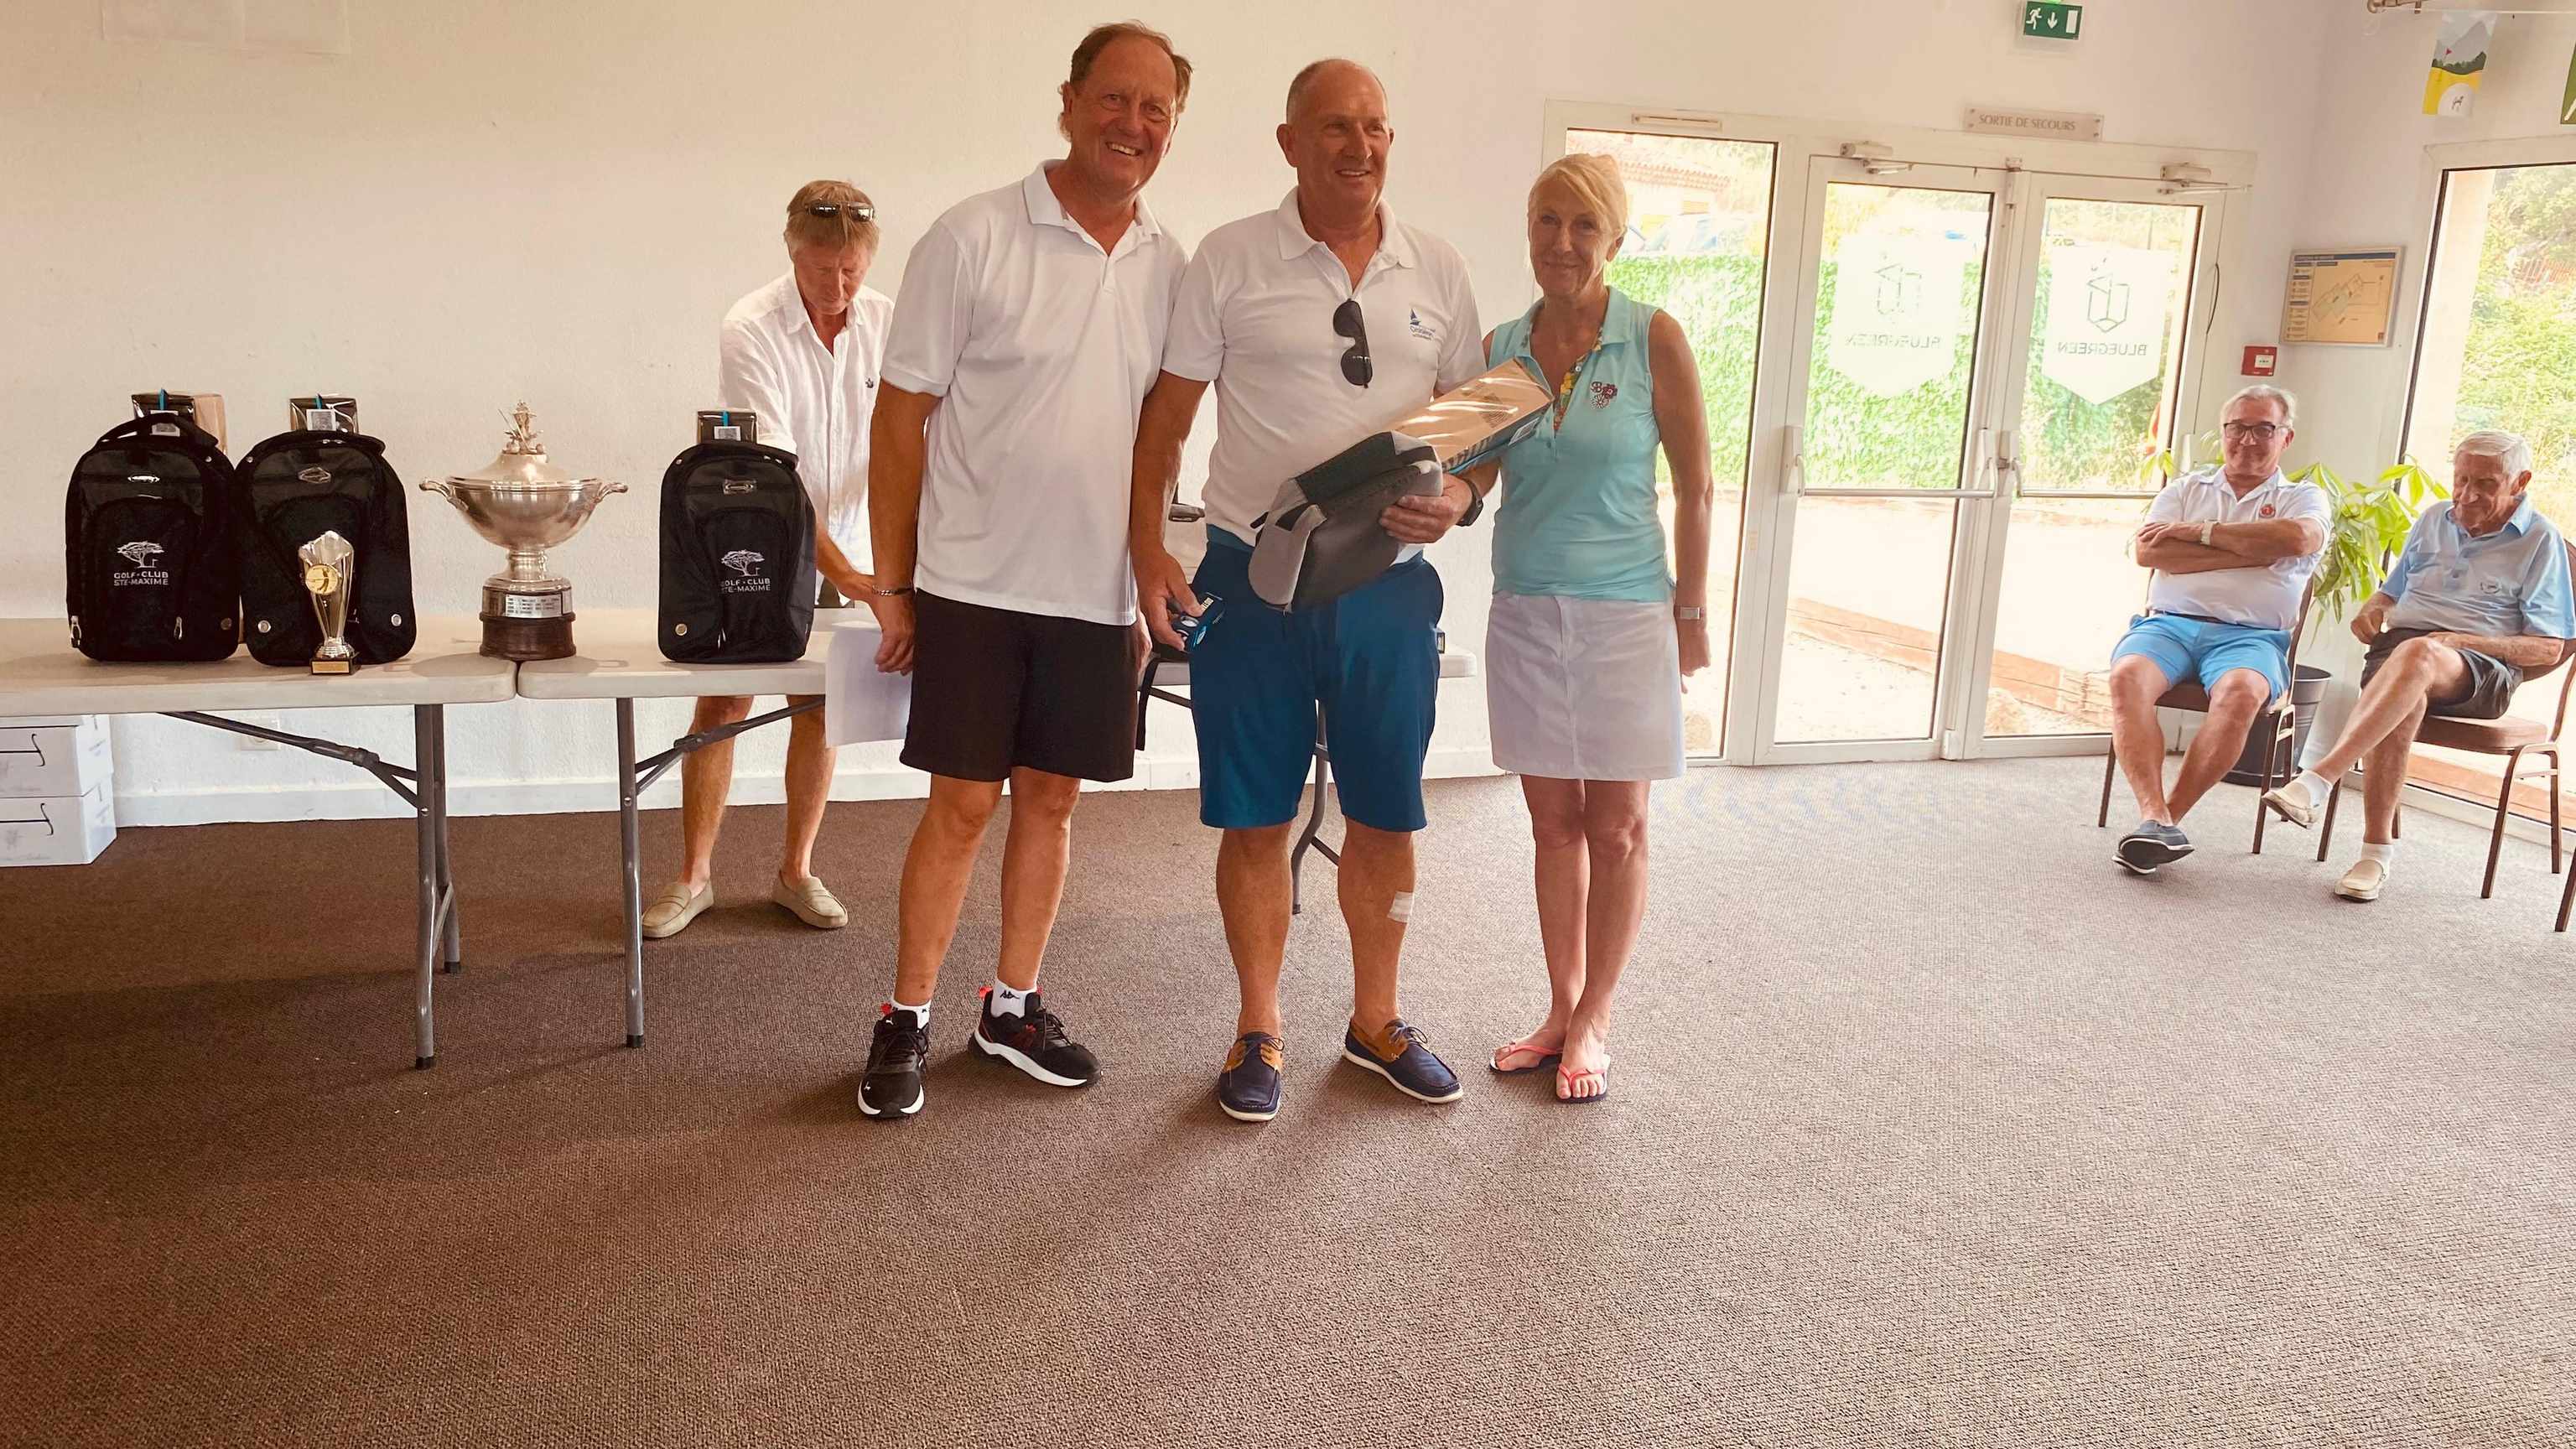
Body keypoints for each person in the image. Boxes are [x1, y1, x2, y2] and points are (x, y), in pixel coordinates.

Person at [1130, 58, 1483, 1124]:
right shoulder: (1230, 258)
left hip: (1389, 588)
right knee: (1254, 815)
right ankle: (1259, 1027)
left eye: (1374, 127)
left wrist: (1461, 494)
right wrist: (1149, 550)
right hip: (1252, 578)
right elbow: (1165, 425)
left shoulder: (1437, 268)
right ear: (1290, 143)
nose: (1358, 147)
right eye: (1334, 127)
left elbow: (1479, 429)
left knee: (1387, 812)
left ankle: (1377, 1020)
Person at [856, 22, 1191, 1120]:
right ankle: (905, 1017)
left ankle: (1011, 1008)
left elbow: (1159, 440)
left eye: (1156, 109)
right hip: (974, 584)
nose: (1132, 124)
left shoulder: (1171, 266)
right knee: (961, 807)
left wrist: (1143, 570)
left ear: (1172, 127)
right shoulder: (973, 236)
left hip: (1091, 593)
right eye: (1115, 99)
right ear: (1070, 101)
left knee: (1051, 804)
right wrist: (895, 585)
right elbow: (899, 419)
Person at [1476, 154, 1714, 1104]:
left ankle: (1597, 1017)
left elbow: (1698, 486)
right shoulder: (1505, 346)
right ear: (1528, 229)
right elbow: (1474, 472)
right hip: (1526, 609)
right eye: (1547, 221)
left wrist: (1692, 613)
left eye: (1584, 226)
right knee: (1552, 824)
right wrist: (1433, 496)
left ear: (1613, 239)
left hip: (1625, 612)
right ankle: (1559, 1006)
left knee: (1615, 828)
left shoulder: (1652, 337)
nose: (1563, 242)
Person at [641, 181, 892, 940]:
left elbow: (908, 441)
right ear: (792, 250)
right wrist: (843, 575)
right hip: (763, 541)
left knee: (819, 707)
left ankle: (796, 872)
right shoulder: (750, 325)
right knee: (725, 701)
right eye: (822, 270)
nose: (838, 287)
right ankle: (694, 877)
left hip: (861, 541)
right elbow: (782, 480)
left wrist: (887, 565)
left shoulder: (889, 322)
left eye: (851, 271)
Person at [2262, 430, 2575, 900]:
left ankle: (2319, 780)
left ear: (2520, 482)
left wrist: (2458, 641)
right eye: (2461, 479)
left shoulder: (2539, 540)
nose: (2467, 494)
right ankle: (2374, 857)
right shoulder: (2433, 519)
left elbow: (2549, 648)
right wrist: (2372, 609)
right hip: (2401, 654)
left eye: (2485, 484)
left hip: (2481, 669)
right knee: (2406, 689)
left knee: (2418, 655)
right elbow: (2391, 592)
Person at [2104, 384, 2329, 875]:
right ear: (2224, 432)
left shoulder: (2302, 497)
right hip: (2168, 626)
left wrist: (2198, 533)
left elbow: (2297, 538)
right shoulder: (2186, 490)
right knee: (2126, 678)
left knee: (2242, 692)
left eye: (2263, 429)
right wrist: (2254, 551)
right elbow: (2149, 552)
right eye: (2237, 427)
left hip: (2253, 637)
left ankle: (2166, 821)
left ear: (2286, 437)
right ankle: (2155, 818)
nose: (2247, 440)